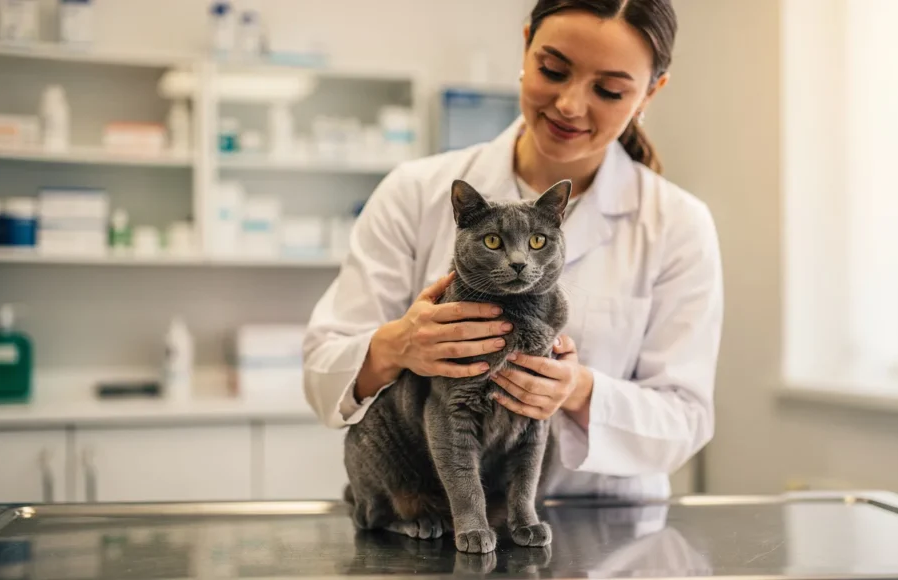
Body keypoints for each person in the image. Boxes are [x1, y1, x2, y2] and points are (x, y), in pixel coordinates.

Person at [303, 0, 723, 501]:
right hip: (448, 528)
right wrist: (399, 346)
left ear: (650, 92)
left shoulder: (676, 224)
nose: (570, 104)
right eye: (552, 69)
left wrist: (578, 391)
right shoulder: (416, 191)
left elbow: (686, 419)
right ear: (526, 47)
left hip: (607, 529)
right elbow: (322, 371)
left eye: (608, 90)